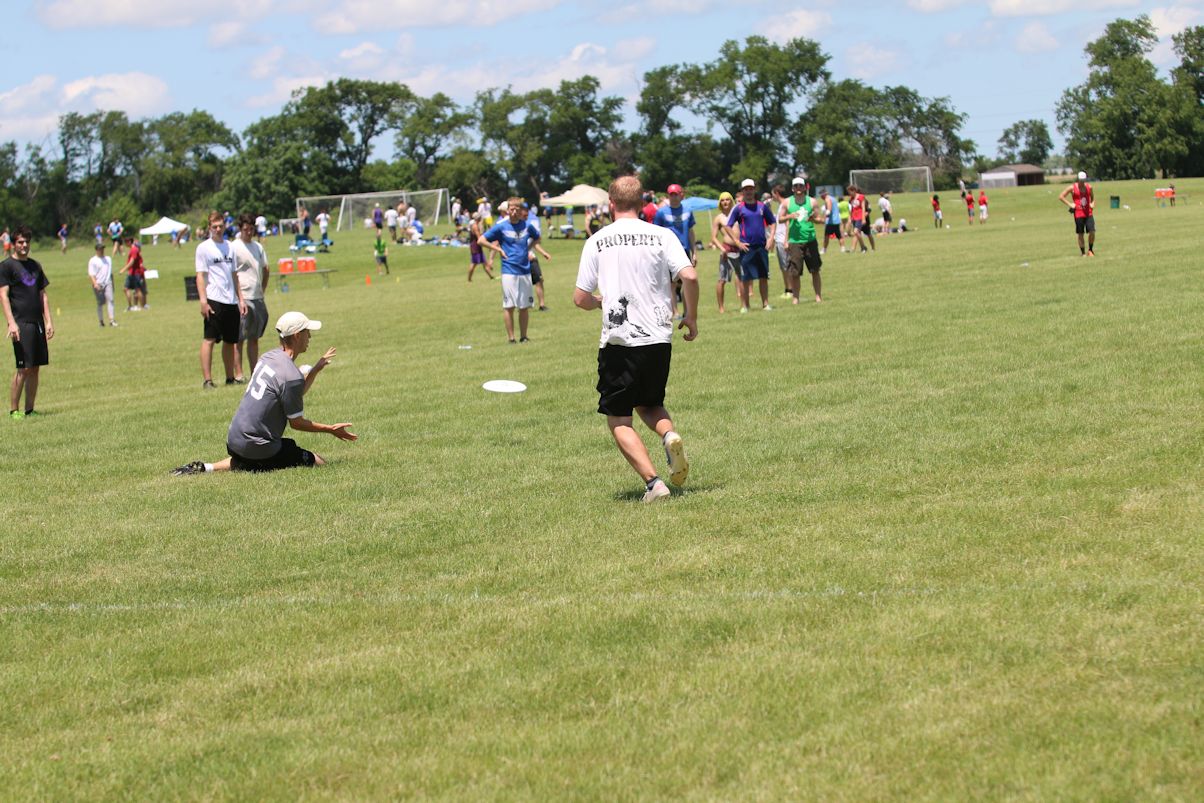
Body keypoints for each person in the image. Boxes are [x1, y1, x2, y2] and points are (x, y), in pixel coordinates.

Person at [573, 176, 698, 503]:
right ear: (643, 203)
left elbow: (580, 298)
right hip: (659, 338)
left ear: (611, 204)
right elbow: (690, 275)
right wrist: (691, 316)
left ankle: (654, 484)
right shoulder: (663, 235)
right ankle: (669, 435)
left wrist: (598, 302)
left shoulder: (597, 241)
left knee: (618, 417)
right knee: (650, 403)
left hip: (620, 341)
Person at [171, 311, 357, 476]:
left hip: (234, 439)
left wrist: (315, 370)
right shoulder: (291, 376)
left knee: (248, 462)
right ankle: (245, 461)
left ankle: (206, 467)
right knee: (317, 461)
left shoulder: (268, 357)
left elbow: (293, 394)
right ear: (297, 335)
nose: (310, 336)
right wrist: (331, 429)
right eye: (307, 332)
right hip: (258, 446)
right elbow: (297, 423)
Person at [0, 226, 53, 418]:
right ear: (14, 244)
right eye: (20, 242)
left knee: (36, 367)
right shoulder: (6, 266)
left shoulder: (35, 266)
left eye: (27, 242)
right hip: (20, 323)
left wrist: (48, 321)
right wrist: (11, 322)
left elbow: (42, 295)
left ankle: (30, 409)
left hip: (37, 323)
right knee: (23, 368)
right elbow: (3, 295)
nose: (24, 245)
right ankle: (14, 410)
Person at [196, 211, 248, 389]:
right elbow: (200, 275)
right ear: (209, 227)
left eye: (220, 226)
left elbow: (234, 275)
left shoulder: (230, 246)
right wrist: (203, 301)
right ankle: (208, 380)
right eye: (214, 227)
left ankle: (230, 377)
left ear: (225, 226)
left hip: (231, 300)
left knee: (230, 341)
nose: (218, 229)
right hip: (214, 299)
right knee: (209, 339)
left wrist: (241, 299)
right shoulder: (204, 248)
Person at [480, 198, 542, 343]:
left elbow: (537, 238)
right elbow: (481, 240)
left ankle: (524, 337)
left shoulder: (527, 226)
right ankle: (511, 338)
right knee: (509, 306)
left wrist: (528, 248)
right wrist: (498, 249)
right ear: (508, 210)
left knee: (524, 306)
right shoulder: (501, 226)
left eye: (517, 209)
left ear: (521, 211)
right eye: (511, 209)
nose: (514, 212)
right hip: (509, 271)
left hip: (525, 271)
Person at [725, 178, 776, 313]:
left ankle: (765, 304)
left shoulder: (762, 206)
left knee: (763, 277)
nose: (748, 191)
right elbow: (728, 226)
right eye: (746, 189)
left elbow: (772, 222)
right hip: (746, 248)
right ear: (742, 191)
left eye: (751, 189)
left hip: (762, 246)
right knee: (745, 278)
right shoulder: (739, 208)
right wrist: (737, 242)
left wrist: (771, 238)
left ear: (754, 190)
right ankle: (745, 306)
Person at [233, 213, 270, 383]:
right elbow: (232, 274)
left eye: (251, 229)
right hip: (242, 297)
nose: (249, 232)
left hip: (257, 296)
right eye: (246, 229)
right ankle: (239, 374)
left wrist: (262, 289)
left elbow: (266, 269)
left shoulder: (258, 247)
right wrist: (239, 298)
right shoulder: (234, 247)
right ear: (240, 229)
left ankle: (254, 372)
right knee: (239, 338)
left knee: (254, 338)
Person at [784, 177, 825, 304]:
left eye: (800, 186)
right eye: (796, 186)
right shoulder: (787, 202)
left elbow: (821, 220)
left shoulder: (812, 201)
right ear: (792, 188)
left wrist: (814, 219)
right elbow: (781, 220)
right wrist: (786, 240)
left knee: (815, 270)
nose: (798, 188)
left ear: (805, 187)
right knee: (795, 272)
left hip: (810, 239)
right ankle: (796, 298)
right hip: (795, 241)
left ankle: (818, 296)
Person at [709, 192, 743, 313]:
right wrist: (722, 249)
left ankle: (744, 305)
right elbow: (713, 238)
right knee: (722, 280)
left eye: (727, 199)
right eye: (722, 200)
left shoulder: (738, 214)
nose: (725, 202)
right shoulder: (719, 218)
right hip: (726, 251)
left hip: (740, 249)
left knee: (742, 278)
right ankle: (721, 308)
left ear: (731, 201)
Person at [523, 204, 553, 311]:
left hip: (532, 257)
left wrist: (544, 253)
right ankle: (523, 305)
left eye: (527, 211)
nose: (526, 213)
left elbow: (535, 242)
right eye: (524, 211)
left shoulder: (529, 226)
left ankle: (542, 305)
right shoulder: (516, 227)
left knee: (539, 280)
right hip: (521, 260)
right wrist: (524, 254)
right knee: (523, 282)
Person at [1058, 171, 1096, 256]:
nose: (1082, 182)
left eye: (1083, 180)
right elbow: (1061, 196)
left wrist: (1092, 203)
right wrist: (1070, 204)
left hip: (1088, 213)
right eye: (1081, 180)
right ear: (1078, 179)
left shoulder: (1089, 187)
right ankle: (1083, 253)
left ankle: (1090, 250)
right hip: (1078, 214)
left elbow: (1092, 197)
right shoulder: (1072, 188)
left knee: (1092, 231)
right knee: (1080, 233)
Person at [87, 242, 117, 327]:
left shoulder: (108, 259)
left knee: (110, 300)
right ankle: (101, 321)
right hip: (98, 283)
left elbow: (110, 272)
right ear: (97, 250)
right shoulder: (93, 260)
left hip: (108, 282)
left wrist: (112, 283)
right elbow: (91, 274)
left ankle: (112, 320)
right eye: (100, 249)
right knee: (100, 303)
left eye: (103, 249)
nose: (102, 250)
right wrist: (95, 284)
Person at [770, 184, 791, 299]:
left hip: (783, 240)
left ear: (777, 194)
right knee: (783, 267)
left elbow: (788, 223)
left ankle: (791, 290)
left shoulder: (785, 204)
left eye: (772, 194)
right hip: (779, 240)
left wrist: (786, 240)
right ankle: (787, 289)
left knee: (786, 267)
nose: (772, 196)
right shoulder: (780, 205)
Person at [119, 235, 147, 311]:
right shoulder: (132, 249)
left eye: (126, 242)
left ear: (129, 242)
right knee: (126, 289)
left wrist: (123, 270)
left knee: (137, 290)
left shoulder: (134, 250)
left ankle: (142, 307)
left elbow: (132, 262)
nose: (125, 244)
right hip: (131, 273)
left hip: (135, 273)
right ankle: (130, 306)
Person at [845, 185, 875, 253]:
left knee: (867, 233)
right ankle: (853, 249)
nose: (849, 194)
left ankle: (871, 248)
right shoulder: (851, 199)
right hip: (855, 218)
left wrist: (864, 218)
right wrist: (850, 218)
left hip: (863, 218)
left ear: (855, 191)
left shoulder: (863, 199)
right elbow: (851, 209)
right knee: (856, 233)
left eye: (850, 192)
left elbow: (867, 209)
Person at [467, 213, 494, 282]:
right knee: (474, 263)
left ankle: (491, 277)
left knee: (484, 262)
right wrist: (487, 244)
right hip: (475, 246)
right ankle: (469, 279)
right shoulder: (475, 226)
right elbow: (479, 238)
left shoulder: (475, 225)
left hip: (477, 246)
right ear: (478, 218)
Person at [820, 189, 844, 254]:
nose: (821, 197)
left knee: (826, 236)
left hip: (831, 221)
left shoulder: (827, 199)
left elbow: (829, 210)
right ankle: (842, 248)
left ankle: (824, 249)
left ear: (823, 194)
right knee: (839, 236)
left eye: (821, 196)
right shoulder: (833, 198)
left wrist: (824, 218)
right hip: (837, 220)